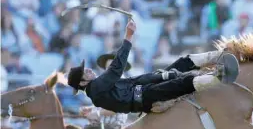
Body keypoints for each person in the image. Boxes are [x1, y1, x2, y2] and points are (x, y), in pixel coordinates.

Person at [67, 19, 239, 114]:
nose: (88, 69)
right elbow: (115, 69)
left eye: (85, 69)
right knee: (180, 83)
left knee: (182, 62)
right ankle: (218, 77)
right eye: (84, 73)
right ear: (82, 83)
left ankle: (219, 55)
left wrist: (160, 75)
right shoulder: (96, 89)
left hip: (146, 87)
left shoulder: (99, 88)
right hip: (146, 96)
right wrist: (128, 37)